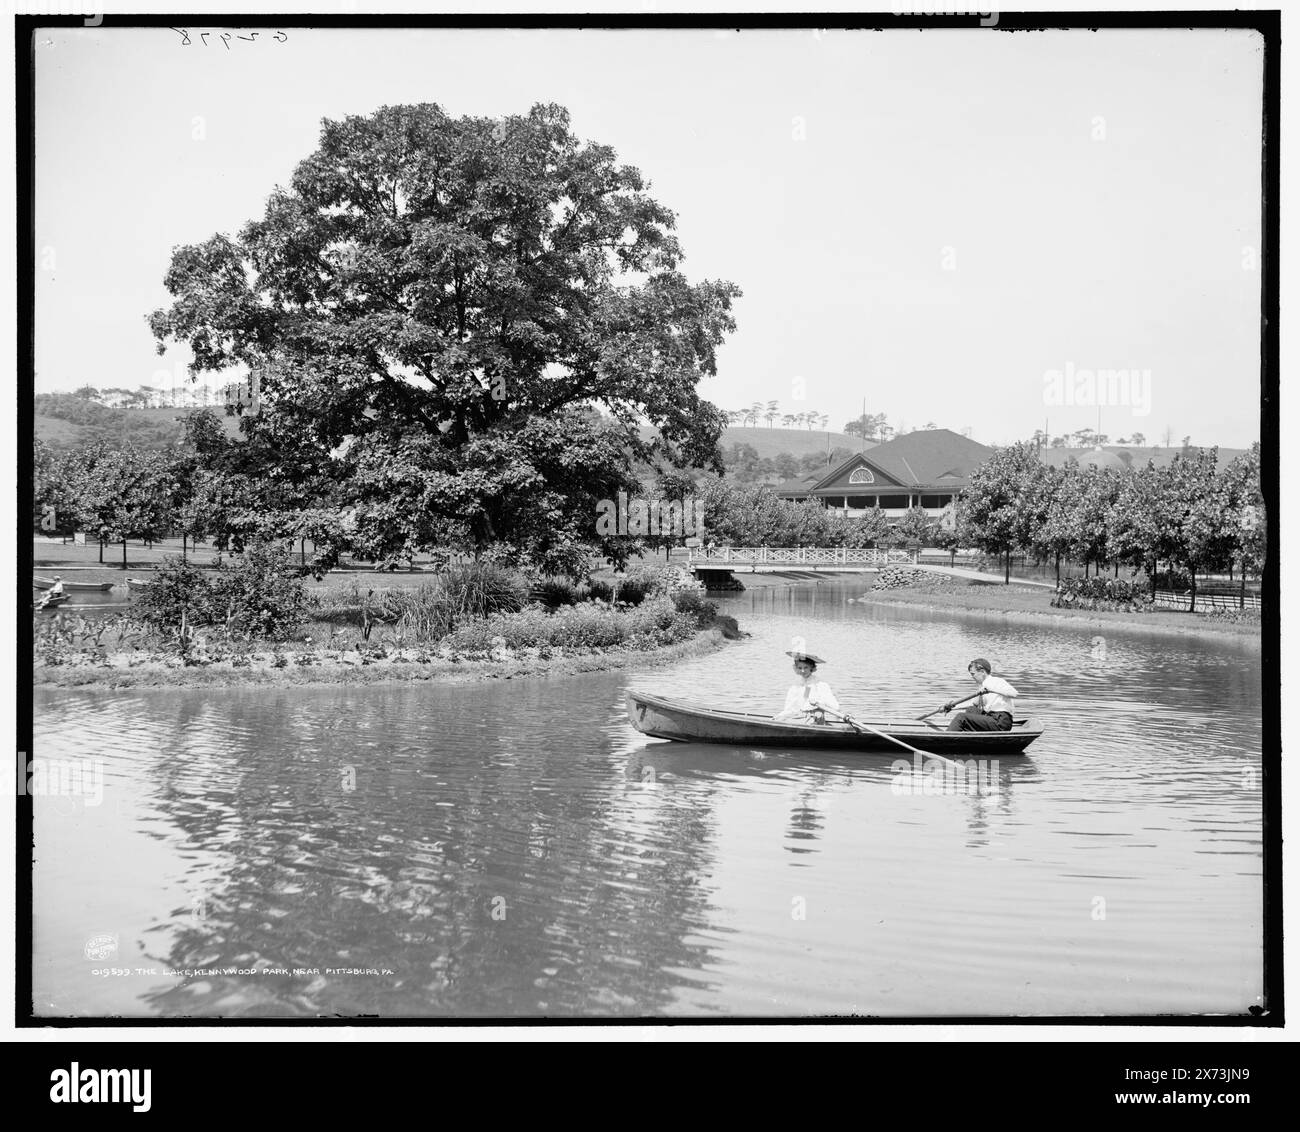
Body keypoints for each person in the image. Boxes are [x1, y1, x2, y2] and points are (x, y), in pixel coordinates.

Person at [945, 658, 1018, 731]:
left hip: (1001, 722)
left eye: (973, 674)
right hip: (990, 718)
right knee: (971, 710)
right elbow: (972, 704)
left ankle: (946, 737)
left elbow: (1014, 694)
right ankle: (964, 735)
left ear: (982, 672)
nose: (972, 677)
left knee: (961, 717)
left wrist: (991, 690)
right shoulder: (982, 687)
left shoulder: (997, 681)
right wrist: (952, 707)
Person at [774, 651, 840, 723]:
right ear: (796, 668)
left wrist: (819, 703)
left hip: (814, 718)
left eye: (805, 667)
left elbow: (834, 706)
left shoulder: (819, 684)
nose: (802, 671)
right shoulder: (796, 685)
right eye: (800, 668)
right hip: (798, 716)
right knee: (778, 719)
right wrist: (781, 715)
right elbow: (790, 707)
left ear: (811, 668)